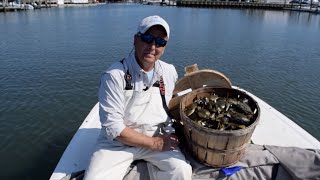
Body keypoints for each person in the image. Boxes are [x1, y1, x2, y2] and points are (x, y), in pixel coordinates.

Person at [84, 15, 193, 180]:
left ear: (165, 46)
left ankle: (153, 172)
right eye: (147, 38)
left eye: (160, 42)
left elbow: (172, 105)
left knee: (182, 172)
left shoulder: (169, 71)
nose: (152, 46)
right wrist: (155, 144)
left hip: (156, 133)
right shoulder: (115, 75)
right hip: (118, 144)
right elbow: (113, 128)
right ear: (135, 39)